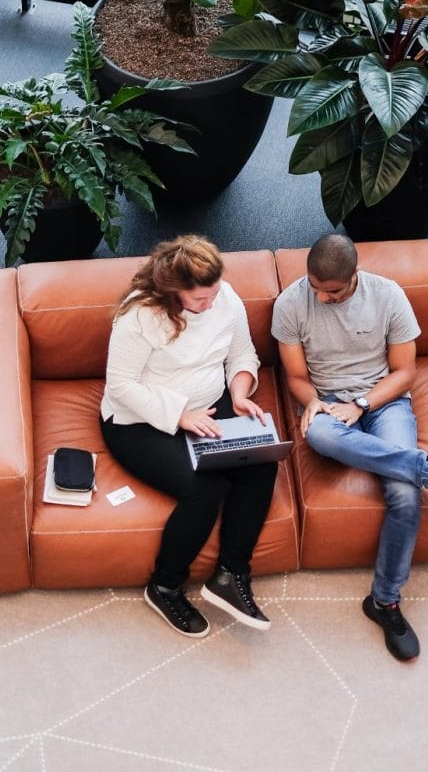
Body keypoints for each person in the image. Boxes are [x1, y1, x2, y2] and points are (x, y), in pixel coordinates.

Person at [271, 233, 428, 662]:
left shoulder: (388, 295)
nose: (321, 298)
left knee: (403, 493)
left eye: (332, 292)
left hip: (383, 401)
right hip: (328, 403)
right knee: (319, 435)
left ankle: (384, 601)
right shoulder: (291, 303)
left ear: (354, 276)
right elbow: (296, 377)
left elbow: (404, 373)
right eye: (315, 288)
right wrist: (315, 404)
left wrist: (361, 404)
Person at [100, 234, 277, 638]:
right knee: (205, 489)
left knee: (261, 464)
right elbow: (121, 386)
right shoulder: (139, 316)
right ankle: (164, 585)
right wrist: (181, 415)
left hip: (211, 405)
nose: (210, 304)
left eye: (214, 294)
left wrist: (239, 393)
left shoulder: (224, 297)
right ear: (173, 291)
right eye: (200, 299)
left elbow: (242, 354)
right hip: (140, 420)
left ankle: (231, 574)